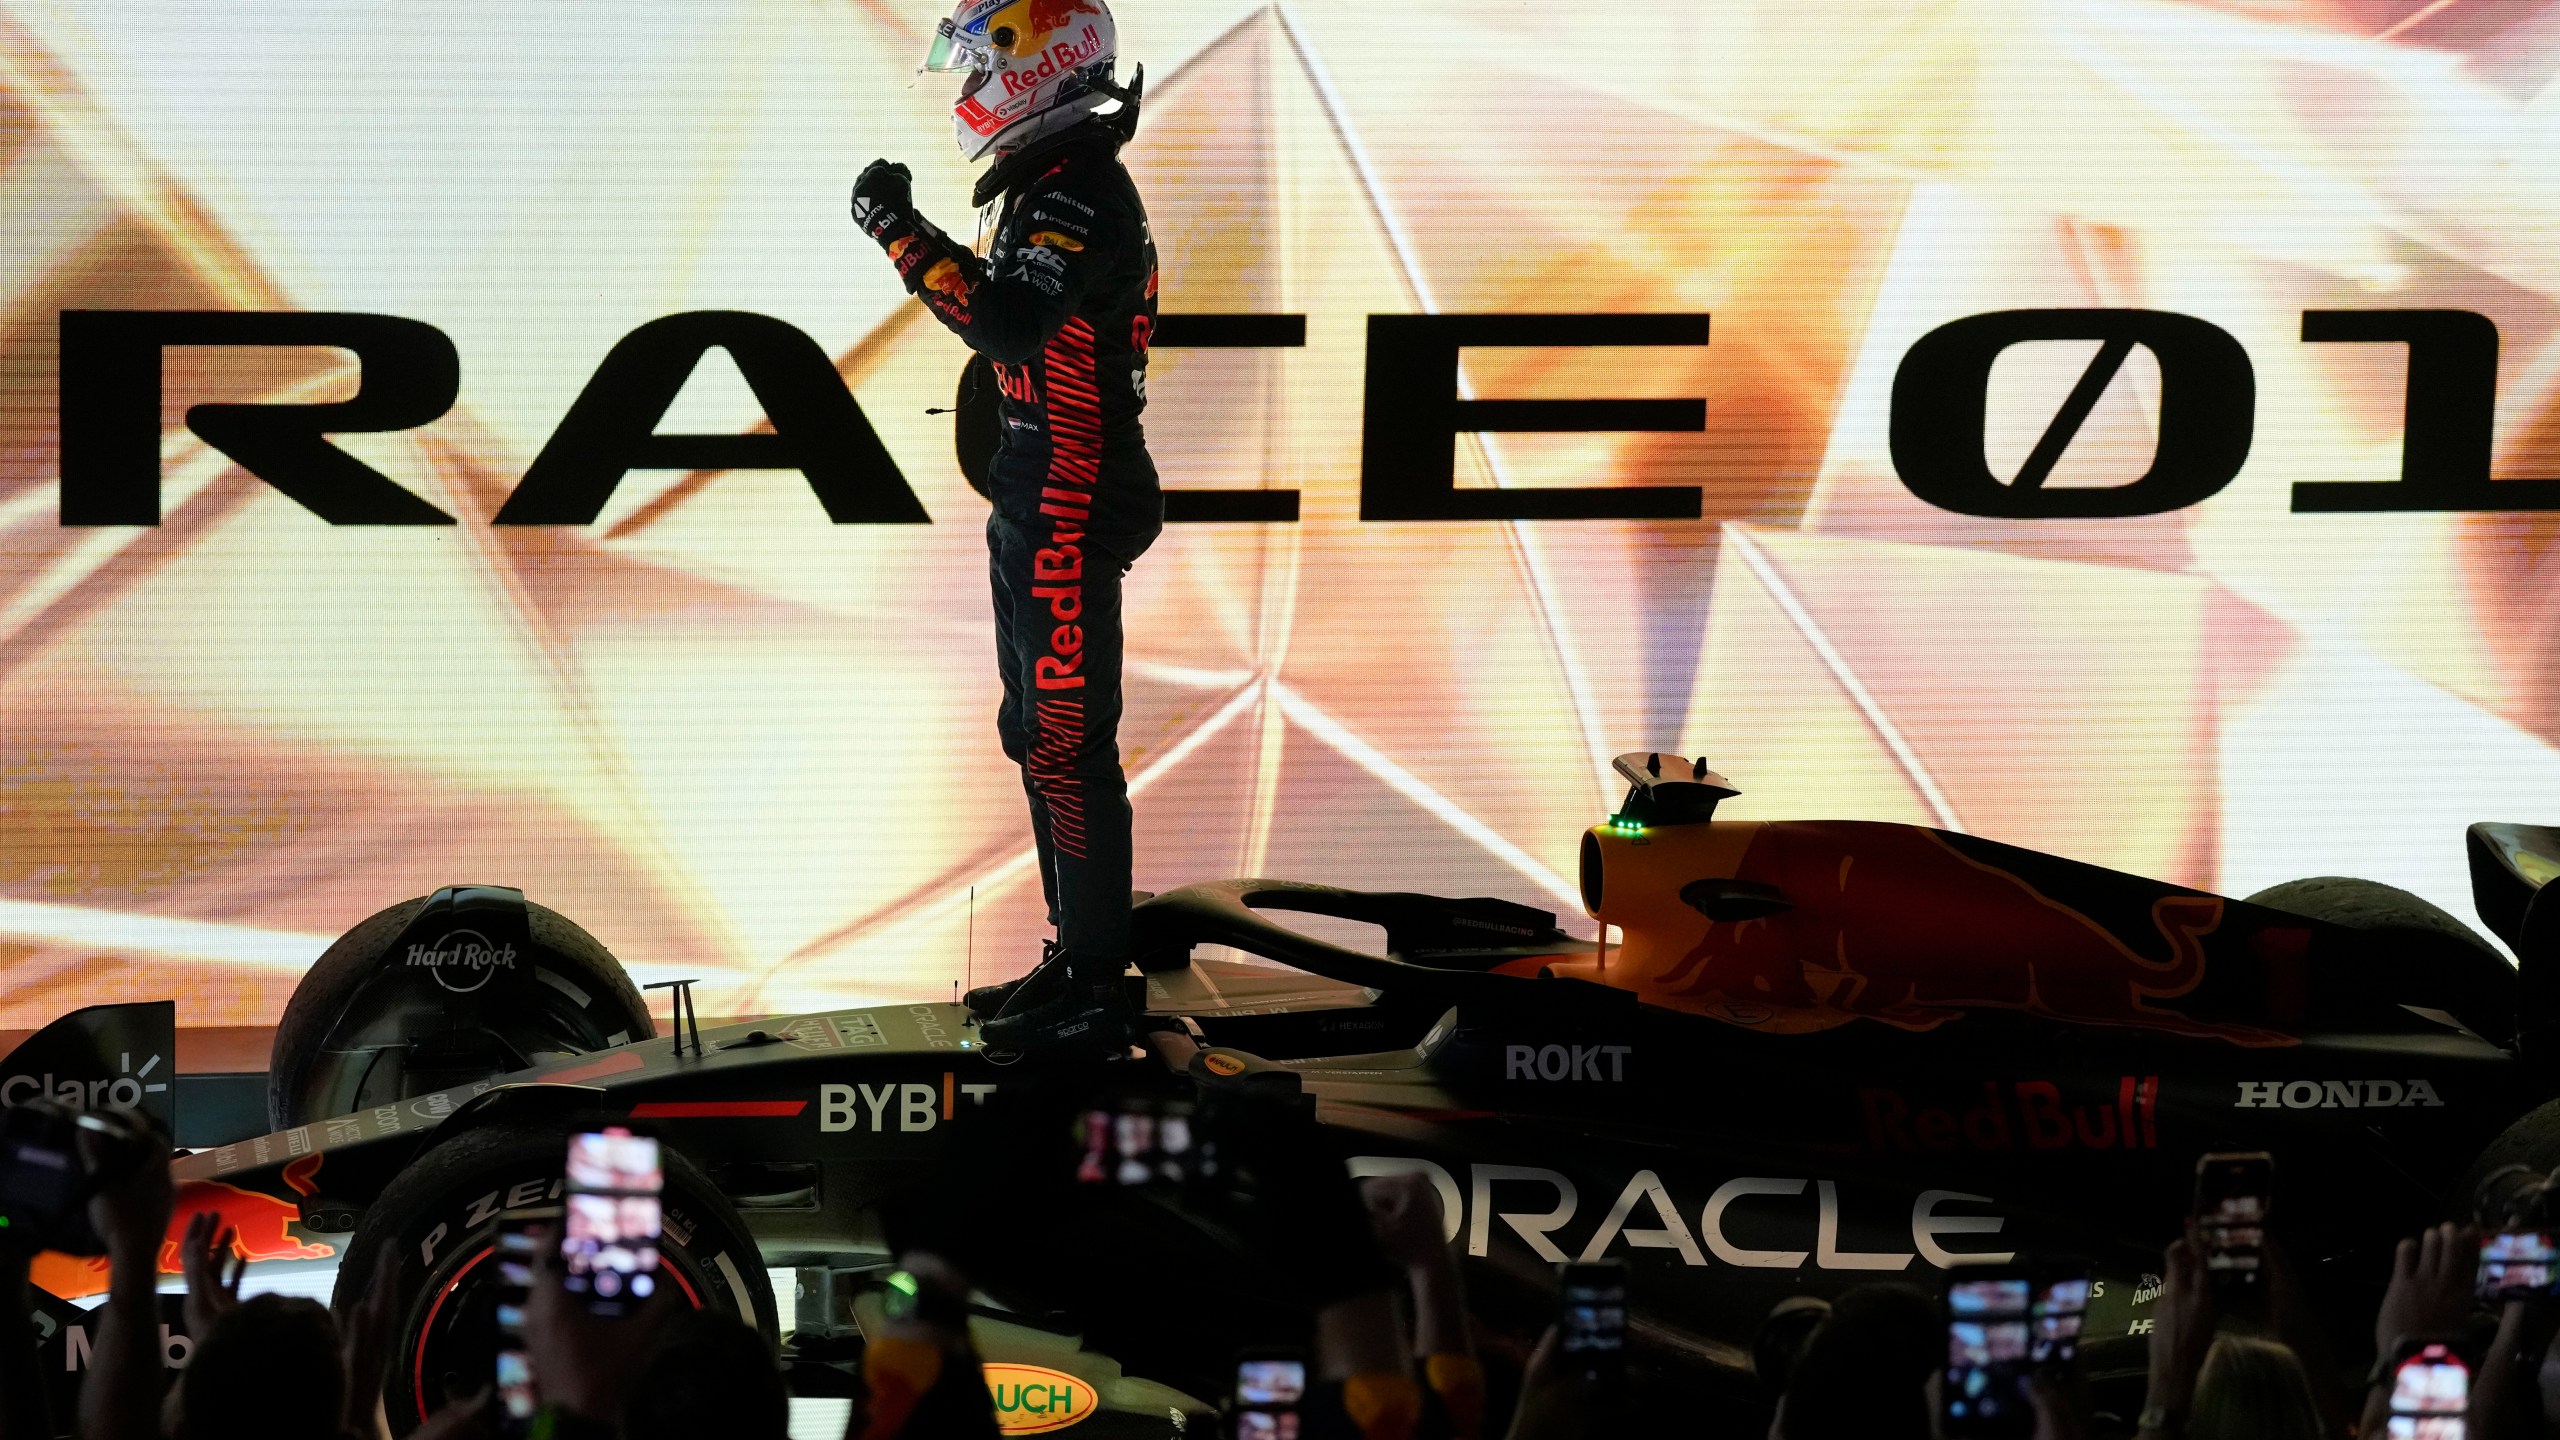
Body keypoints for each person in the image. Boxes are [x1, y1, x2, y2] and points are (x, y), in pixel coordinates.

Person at [852, 0, 1162, 1054]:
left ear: (1039, 65)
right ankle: (1073, 959)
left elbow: (1004, 320)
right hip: (1037, 497)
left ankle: (1096, 986)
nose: (964, 85)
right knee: (1034, 739)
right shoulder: (1051, 181)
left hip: (1071, 503)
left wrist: (897, 226)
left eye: (979, 62)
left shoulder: (1080, 191)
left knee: (1069, 747)